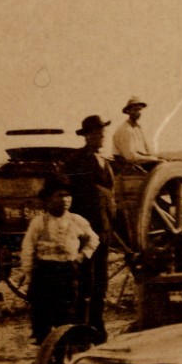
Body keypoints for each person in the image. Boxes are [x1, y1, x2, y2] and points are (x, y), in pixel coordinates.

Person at [19, 177, 100, 344]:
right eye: (59, 195)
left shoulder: (77, 220)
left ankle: (69, 341)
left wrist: (82, 255)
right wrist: (29, 273)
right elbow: (27, 248)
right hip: (46, 270)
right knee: (42, 307)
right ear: (48, 199)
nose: (65, 200)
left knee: (69, 308)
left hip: (68, 270)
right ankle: (45, 344)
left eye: (68, 196)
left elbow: (94, 239)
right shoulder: (39, 222)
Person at [62, 114, 117, 335]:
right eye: (98, 133)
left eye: (103, 132)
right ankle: (82, 329)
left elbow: (109, 194)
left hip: (104, 229)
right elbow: (71, 196)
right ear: (88, 135)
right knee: (86, 280)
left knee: (101, 282)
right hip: (85, 232)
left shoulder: (104, 161)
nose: (102, 136)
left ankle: (98, 326)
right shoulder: (75, 161)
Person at [113, 97, 155, 163]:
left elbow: (146, 150)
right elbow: (130, 156)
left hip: (139, 162)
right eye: (135, 110)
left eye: (139, 110)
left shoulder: (138, 128)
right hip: (129, 166)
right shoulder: (125, 129)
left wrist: (154, 157)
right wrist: (152, 159)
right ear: (128, 111)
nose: (138, 112)